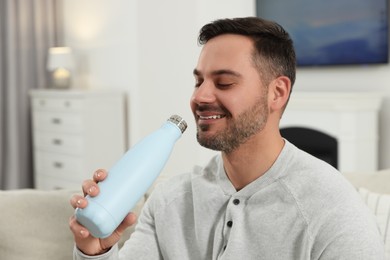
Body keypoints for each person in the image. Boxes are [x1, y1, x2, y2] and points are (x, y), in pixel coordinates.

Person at [69, 17, 385, 259]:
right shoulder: (171, 201)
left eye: (224, 83)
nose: (200, 97)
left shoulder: (333, 210)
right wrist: (95, 251)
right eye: (199, 81)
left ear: (277, 92)